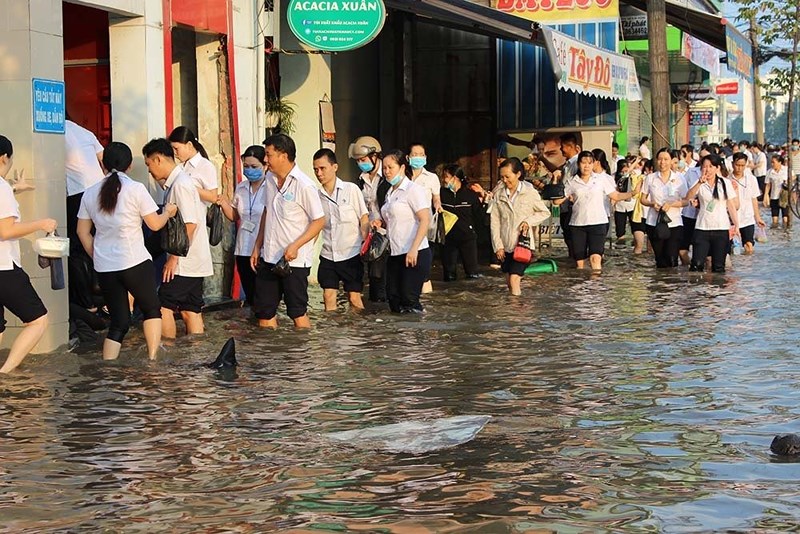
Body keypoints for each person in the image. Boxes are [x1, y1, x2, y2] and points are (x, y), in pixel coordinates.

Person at [77, 142, 178, 360]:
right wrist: (168, 212)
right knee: (152, 310)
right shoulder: (135, 189)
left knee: (119, 322)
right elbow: (154, 224)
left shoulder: (90, 193)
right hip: (134, 262)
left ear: (103, 164)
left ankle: (108, 367)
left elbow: (82, 232)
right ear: (129, 166)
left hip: (105, 268)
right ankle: (152, 361)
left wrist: (97, 255)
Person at [250, 134, 325, 328]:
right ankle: (272, 356)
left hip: (294, 260)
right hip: (269, 256)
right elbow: (267, 212)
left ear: (283, 155)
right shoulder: (269, 179)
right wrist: (257, 246)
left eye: (269, 154)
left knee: (297, 311)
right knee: (264, 312)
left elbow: (319, 221)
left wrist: (296, 245)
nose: (265, 159)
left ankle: (304, 355)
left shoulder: (304, 185)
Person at [143, 138, 213, 338]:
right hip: (193, 258)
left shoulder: (180, 184)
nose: (149, 170)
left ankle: (168, 353)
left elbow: (190, 224)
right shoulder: (178, 183)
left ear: (158, 159)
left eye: (149, 164)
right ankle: (196, 355)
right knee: (191, 310)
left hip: (184, 261)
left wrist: (173, 258)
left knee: (163, 306)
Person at [0, 135, 57, 373]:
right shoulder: (1, 187)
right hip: (3, 267)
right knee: (38, 319)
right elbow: (5, 231)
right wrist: (41, 223)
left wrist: (14, 187)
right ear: (4, 158)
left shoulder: (4, 187)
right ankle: (5, 373)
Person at [553, 151, 639, 271]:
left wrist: (633, 193)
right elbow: (557, 202)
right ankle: (581, 287)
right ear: (578, 164)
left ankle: (596, 287)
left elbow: (616, 196)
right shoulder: (572, 182)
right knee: (580, 262)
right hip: (578, 224)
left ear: (594, 164)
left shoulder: (601, 179)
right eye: (583, 163)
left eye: (589, 163)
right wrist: (554, 181)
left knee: (595, 258)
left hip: (598, 222)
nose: (586, 166)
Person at [372, 149, 432, 313]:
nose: (387, 172)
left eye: (390, 167)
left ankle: (419, 335)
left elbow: (425, 219)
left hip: (414, 252)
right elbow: (394, 220)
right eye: (384, 168)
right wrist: (381, 223)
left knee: (409, 299)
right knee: (393, 299)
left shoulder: (413, 190)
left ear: (402, 167)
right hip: (394, 253)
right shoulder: (389, 193)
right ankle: (398, 338)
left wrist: (413, 249)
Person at [312, 148, 369, 311]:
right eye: (315, 169)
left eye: (322, 168)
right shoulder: (316, 196)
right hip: (328, 254)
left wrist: (366, 245)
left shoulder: (351, 190)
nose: (319, 173)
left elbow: (363, 218)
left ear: (335, 167)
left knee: (354, 298)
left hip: (351, 254)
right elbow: (316, 226)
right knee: (328, 296)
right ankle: (330, 333)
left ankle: (358, 333)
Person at [491, 158, 550, 295]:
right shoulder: (499, 194)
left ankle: (515, 310)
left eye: (507, 176)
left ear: (518, 174)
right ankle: (517, 308)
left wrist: (528, 222)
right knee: (508, 281)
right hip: (505, 245)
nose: (505, 180)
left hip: (522, 244)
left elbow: (544, 212)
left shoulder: (529, 193)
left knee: (514, 278)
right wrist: (497, 245)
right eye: (502, 177)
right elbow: (495, 222)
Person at [218, 145, 268, 306]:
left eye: (254, 167)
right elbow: (234, 216)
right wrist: (223, 203)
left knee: (264, 296)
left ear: (265, 166)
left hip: (263, 250)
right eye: (246, 166)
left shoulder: (271, 188)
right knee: (251, 295)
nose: (249, 170)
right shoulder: (241, 187)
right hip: (243, 249)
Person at [65, 117, 105, 316]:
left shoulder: (53, 131)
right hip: (99, 191)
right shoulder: (84, 131)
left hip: (77, 193)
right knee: (99, 240)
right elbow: (103, 159)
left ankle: (87, 303)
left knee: (75, 249)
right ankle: (104, 293)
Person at [349, 135, 389, 303]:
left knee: (382, 277)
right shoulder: (361, 180)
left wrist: (382, 221)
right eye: (358, 161)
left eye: (363, 159)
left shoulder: (388, 176)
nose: (360, 164)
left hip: (387, 233)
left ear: (375, 156)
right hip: (370, 235)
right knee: (373, 277)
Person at [685, 154, 739, 273]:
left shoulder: (725, 183)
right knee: (696, 264)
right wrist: (699, 183)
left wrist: (736, 225)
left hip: (721, 228)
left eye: (710, 166)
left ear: (717, 168)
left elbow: (731, 205)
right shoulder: (699, 183)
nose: (707, 169)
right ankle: (698, 289)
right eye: (704, 167)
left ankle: (718, 290)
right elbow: (688, 197)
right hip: (702, 227)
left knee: (719, 266)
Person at [639, 148, 689, 268]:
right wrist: (652, 204)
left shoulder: (679, 178)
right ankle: (660, 284)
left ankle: (672, 284)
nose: (662, 162)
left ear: (672, 161)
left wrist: (671, 204)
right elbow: (642, 199)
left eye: (666, 159)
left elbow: (686, 201)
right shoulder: (650, 178)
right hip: (654, 222)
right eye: (660, 159)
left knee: (672, 258)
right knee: (660, 259)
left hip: (674, 222)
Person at [440, 164, 482, 281]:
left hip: (467, 238)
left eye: (446, 177)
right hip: (448, 238)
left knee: (472, 273)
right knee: (449, 275)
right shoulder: (441, 194)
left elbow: (478, 215)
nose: (444, 180)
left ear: (455, 178)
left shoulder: (470, 195)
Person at [408, 142, 440, 294]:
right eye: (415, 154)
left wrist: (438, 206)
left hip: (425, 224)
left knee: (424, 264)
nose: (418, 157)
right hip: (406, 225)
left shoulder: (431, 177)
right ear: (408, 157)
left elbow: (436, 198)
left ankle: (426, 297)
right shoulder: (403, 177)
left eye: (421, 154)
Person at [168, 126, 219, 205]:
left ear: (189, 145)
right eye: (173, 149)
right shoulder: (180, 167)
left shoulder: (205, 166)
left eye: (176, 149)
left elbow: (213, 197)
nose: (174, 153)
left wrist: (187, 187)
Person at [729, 152, 766, 254]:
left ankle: (747, 268)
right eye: (737, 165)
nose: (739, 168)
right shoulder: (727, 180)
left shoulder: (751, 179)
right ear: (732, 164)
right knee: (733, 248)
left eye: (742, 165)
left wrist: (757, 217)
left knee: (749, 245)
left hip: (748, 219)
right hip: (732, 220)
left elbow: (754, 199)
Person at [763, 154, 788, 228]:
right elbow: (768, 185)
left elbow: (793, 177)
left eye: (774, 162)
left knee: (785, 219)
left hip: (784, 197)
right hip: (774, 196)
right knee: (774, 219)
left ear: (780, 162)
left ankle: (785, 233)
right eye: (771, 162)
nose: (772, 164)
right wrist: (766, 196)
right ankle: (775, 234)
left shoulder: (786, 170)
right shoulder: (770, 172)